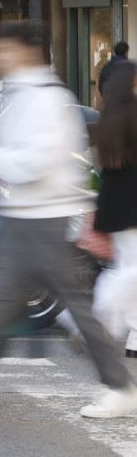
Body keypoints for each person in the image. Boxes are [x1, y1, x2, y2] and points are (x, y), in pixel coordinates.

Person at [0, 21, 137, 417]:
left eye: (2, 49)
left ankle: (119, 386)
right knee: (0, 304)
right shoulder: (22, 95)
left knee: (24, 305)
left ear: (27, 52)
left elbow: (37, 161)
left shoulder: (46, 99)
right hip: (24, 216)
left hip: (39, 218)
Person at [92, 62, 137, 357]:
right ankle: (96, 316)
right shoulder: (133, 114)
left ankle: (134, 335)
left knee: (128, 265)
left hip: (115, 199)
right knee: (131, 270)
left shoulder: (108, 116)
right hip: (132, 199)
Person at [98, 41, 132, 106]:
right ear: (126, 52)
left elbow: (101, 85)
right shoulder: (128, 67)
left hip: (109, 103)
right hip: (123, 105)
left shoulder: (106, 66)